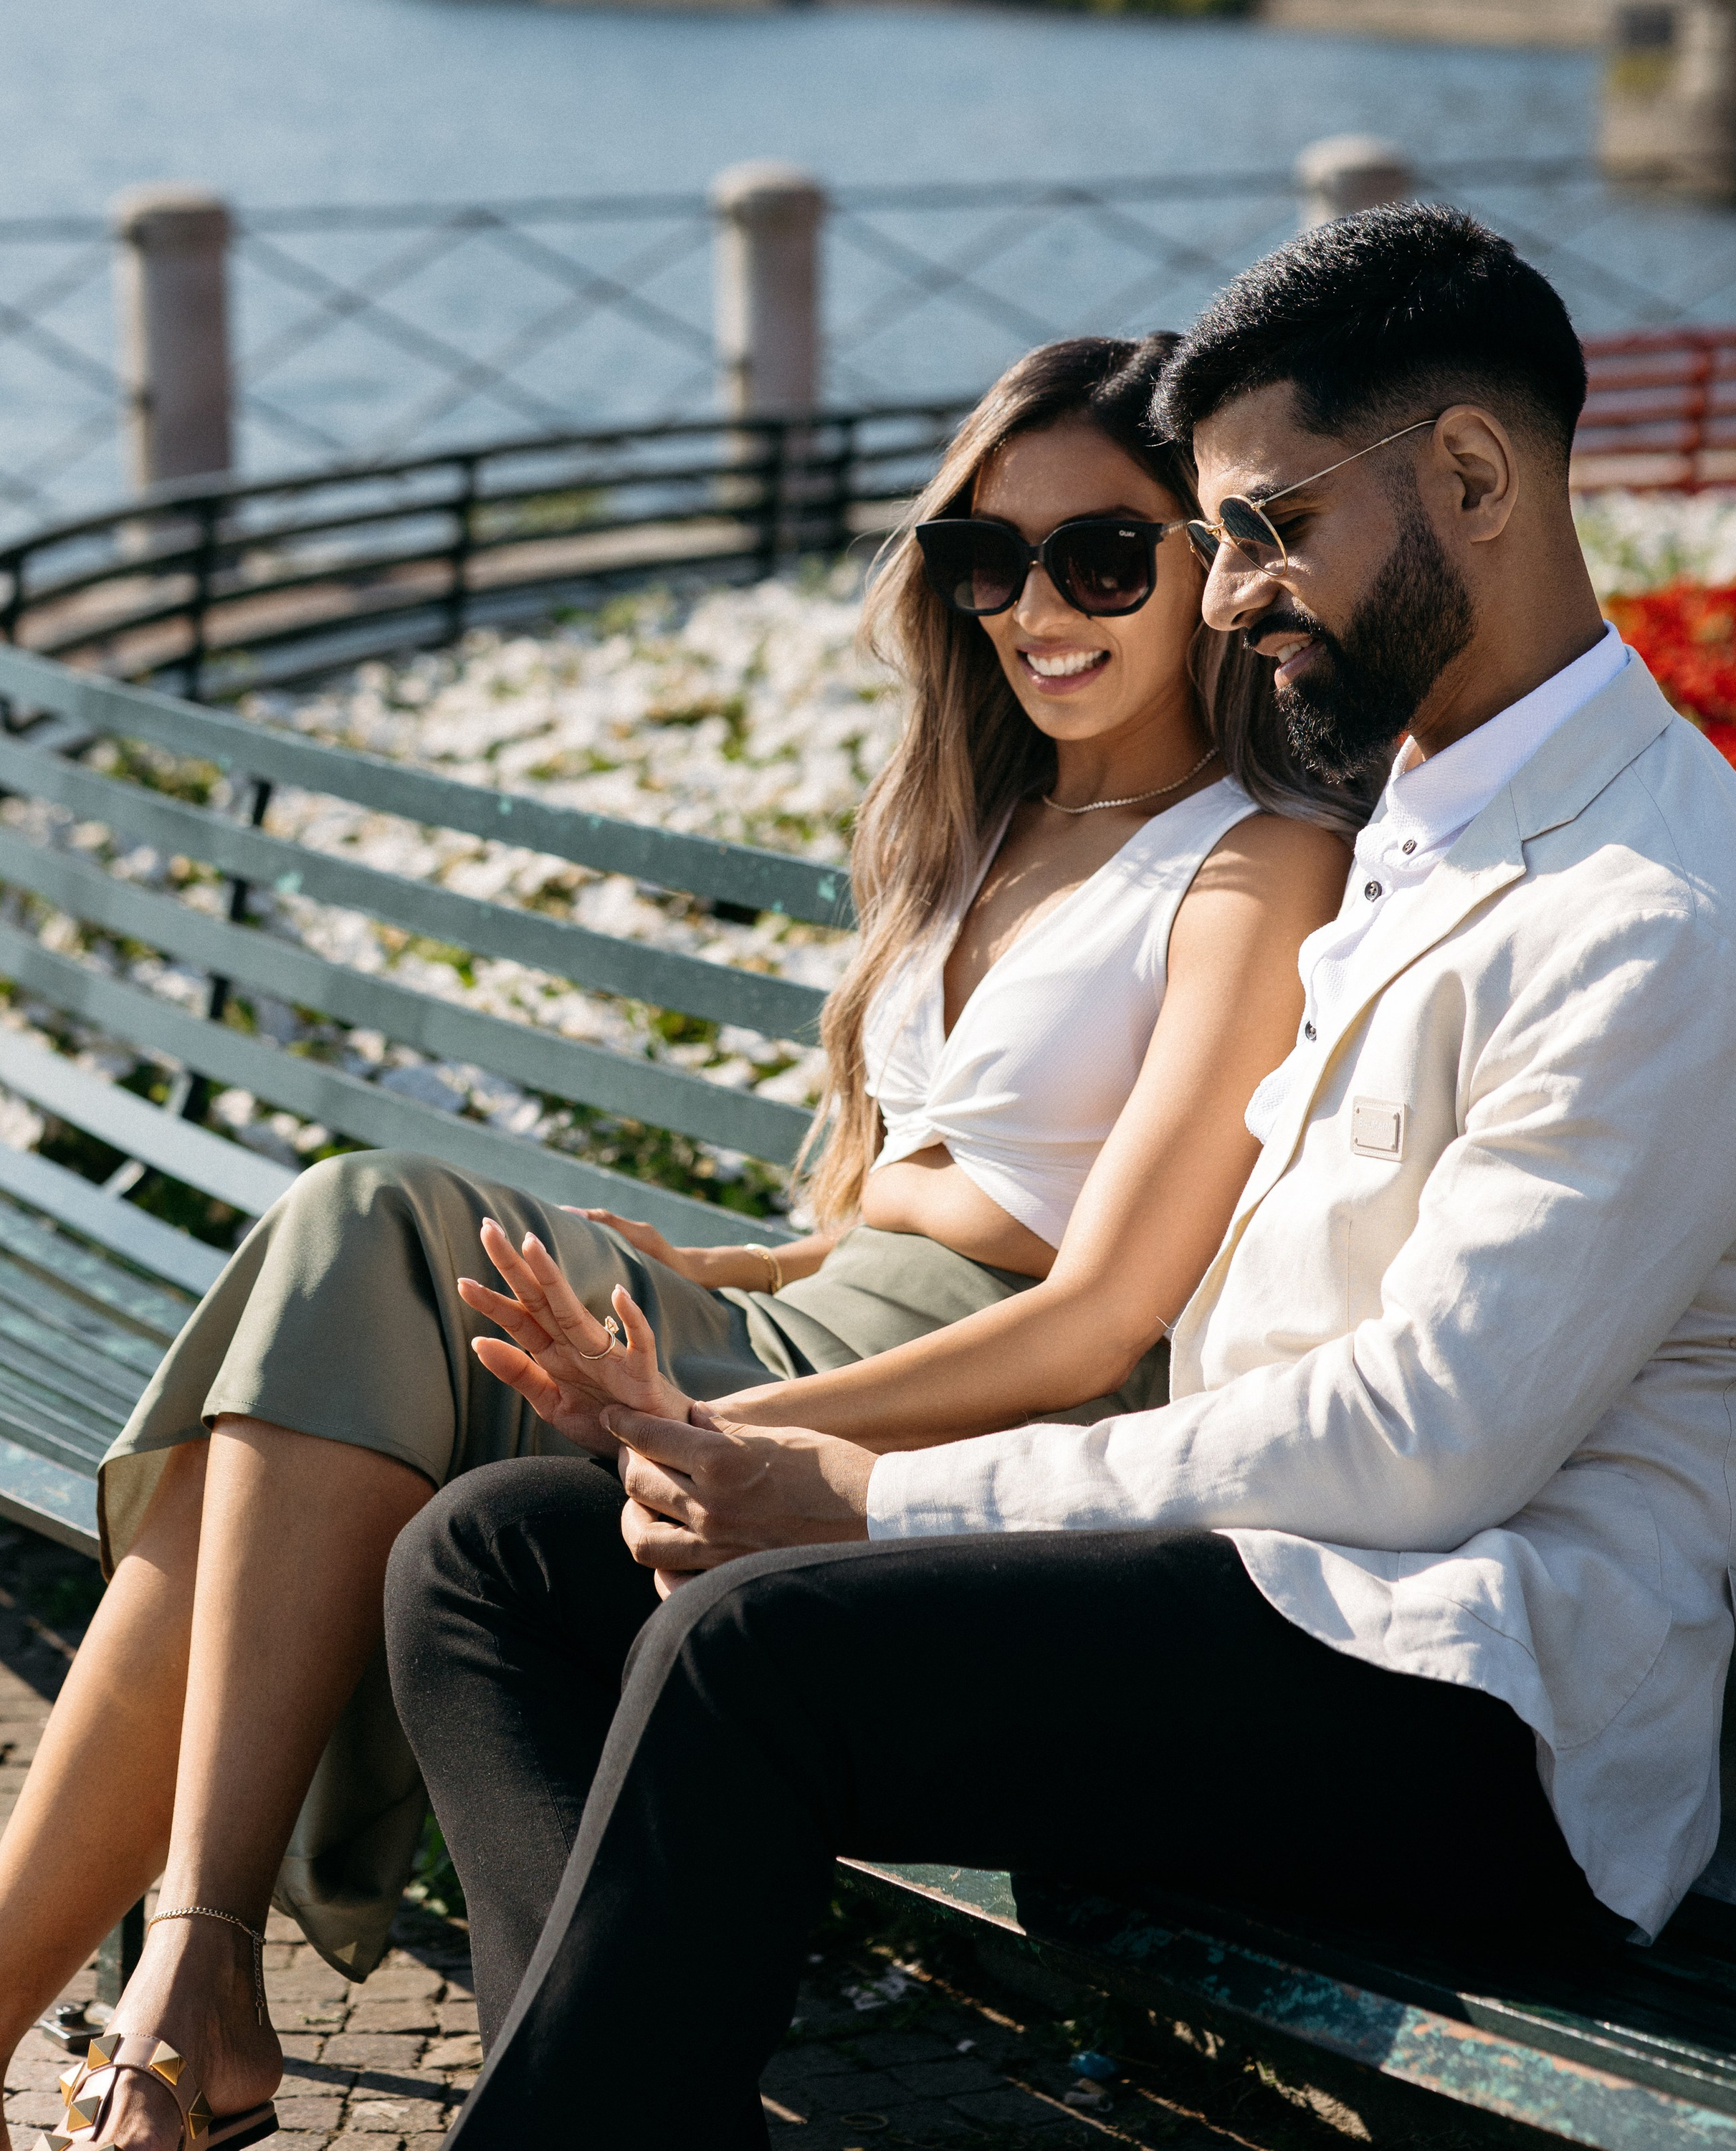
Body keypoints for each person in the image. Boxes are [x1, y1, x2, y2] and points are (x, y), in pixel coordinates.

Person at [386, 201, 1736, 2150]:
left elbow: (1425, 1448)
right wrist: (785, 1440)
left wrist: (872, 1501)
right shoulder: (1436, 801)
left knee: (756, 1652)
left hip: (1494, 1711)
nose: (1226, 593)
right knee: (492, 1563)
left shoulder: (1652, 910)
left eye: (1268, 525)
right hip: (1277, 1598)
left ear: (1476, 477)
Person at [7, 333, 1360, 2151]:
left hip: (957, 1414)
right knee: (337, 1334)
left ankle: (184, 1984)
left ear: (1206, 562)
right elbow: (885, 1200)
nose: (1034, 607)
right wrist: (721, 1283)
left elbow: (1098, 1305)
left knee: (357, 1234)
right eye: (986, 558)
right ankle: (190, 1975)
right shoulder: (987, 822)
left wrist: (743, 1437)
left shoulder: (1252, 862)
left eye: (1101, 557)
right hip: (812, 1336)